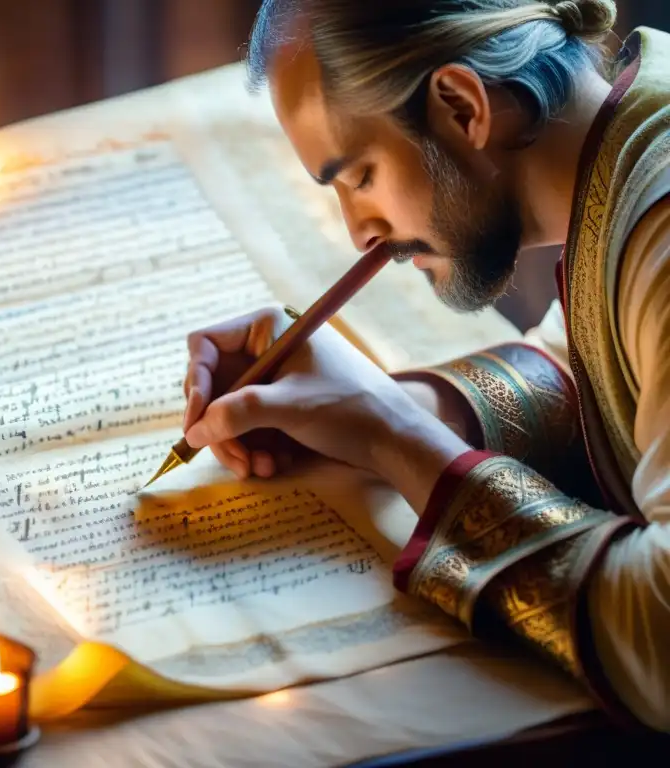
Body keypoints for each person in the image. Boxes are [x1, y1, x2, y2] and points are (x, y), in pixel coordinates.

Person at [180, 0, 670, 732]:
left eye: (361, 175)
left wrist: (391, 437)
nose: (358, 233)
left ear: (461, 107)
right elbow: (588, 377)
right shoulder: (629, 156)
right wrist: (383, 405)